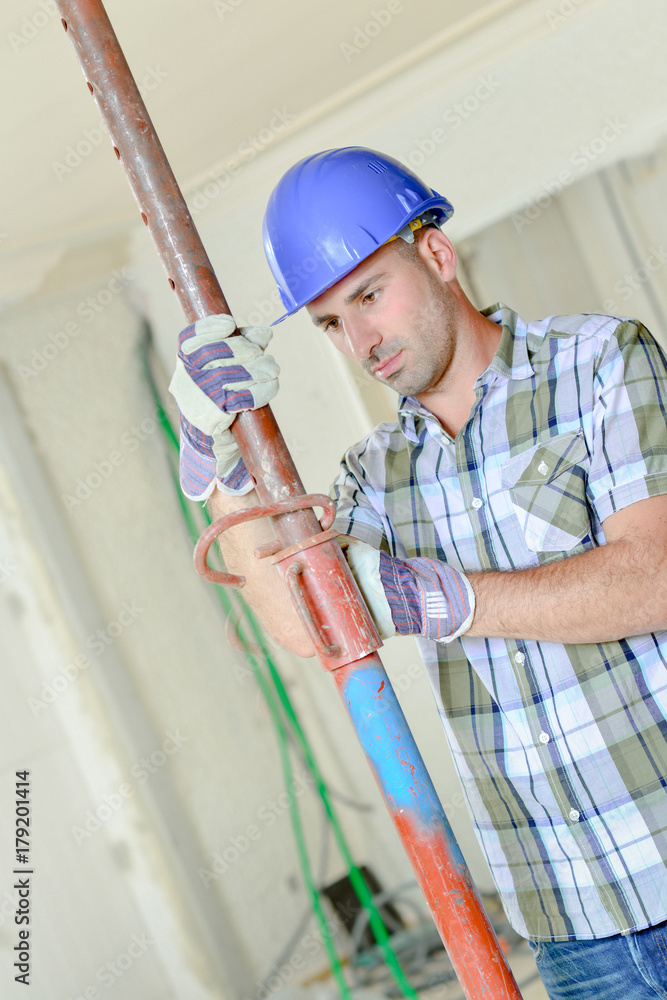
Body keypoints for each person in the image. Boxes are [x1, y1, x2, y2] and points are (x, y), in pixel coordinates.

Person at [170, 147, 667, 999]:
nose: (361, 342)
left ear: (435, 255)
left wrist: (451, 599)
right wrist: (221, 468)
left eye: (369, 296)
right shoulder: (372, 475)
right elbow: (305, 626)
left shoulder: (599, 363)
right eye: (331, 323)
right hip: (568, 926)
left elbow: (652, 577)